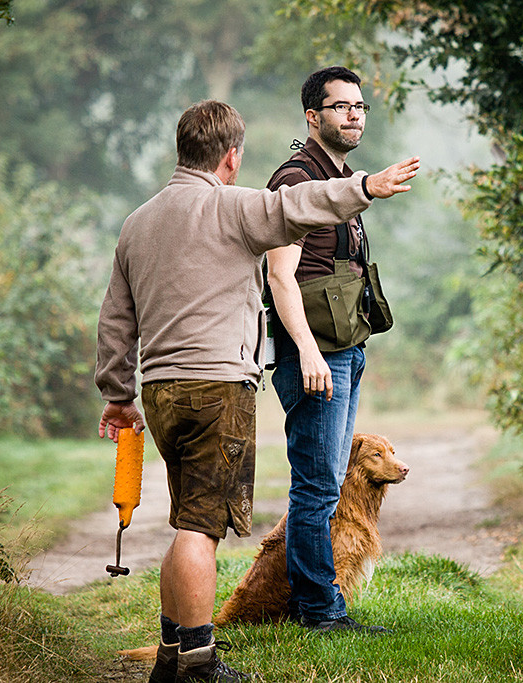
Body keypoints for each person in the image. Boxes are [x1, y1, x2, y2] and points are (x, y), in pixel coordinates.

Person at [95, 99, 419, 682]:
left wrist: (118, 394)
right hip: (217, 387)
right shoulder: (234, 207)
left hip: (160, 391)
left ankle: (171, 658)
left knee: (186, 521)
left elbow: (116, 319)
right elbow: (301, 202)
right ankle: (198, 662)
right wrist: (367, 185)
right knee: (202, 528)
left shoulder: (137, 222)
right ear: (231, 155)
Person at [264, 66, 390, 634]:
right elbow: (280, 276)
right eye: (341, 106)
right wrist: (308, 353)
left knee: (326, 484)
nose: (354, 115)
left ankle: (312, 601)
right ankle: (319, 612)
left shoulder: (337, 178)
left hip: (346, 348)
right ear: (313, 117)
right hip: (317, 356)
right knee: (315, 488)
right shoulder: (296, 179)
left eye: (359, 106)